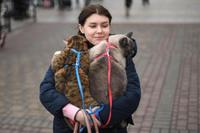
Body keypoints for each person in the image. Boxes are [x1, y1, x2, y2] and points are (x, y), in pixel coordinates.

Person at [40, 4, 141, 133]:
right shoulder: (68, 53)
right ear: (81, 28)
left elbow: (133, 94)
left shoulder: (120, 53)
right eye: (93, 26)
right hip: (70, 128)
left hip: (111, 127)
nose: (99, 31)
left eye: (104, 25)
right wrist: (74, 113)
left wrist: (101, 116)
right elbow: (46, 90)